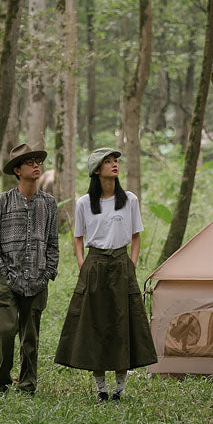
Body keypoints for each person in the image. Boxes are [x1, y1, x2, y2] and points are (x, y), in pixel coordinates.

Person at [55, 147, 157, 401]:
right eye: (108, 162)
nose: (114, 165)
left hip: (121, 263)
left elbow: (136, 236)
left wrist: (131, 263)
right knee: (94, 322)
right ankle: (101, 387)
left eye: (115, 161)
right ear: (97, 170)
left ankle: (119, 387)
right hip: (95, 263)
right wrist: (82, 264)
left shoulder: (129, 200)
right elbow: (77, 238)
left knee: (123, 320)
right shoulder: (83, 203)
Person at [0, 142, 59, 394]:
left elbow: (52, 242)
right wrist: (1, 271)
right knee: (4, 332)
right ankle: (1, 381)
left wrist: (48, 271)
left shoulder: (48, 203)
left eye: (38, 161)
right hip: (7, 278)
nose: (36, 165)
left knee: (31, 338)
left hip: (37, 279)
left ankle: (28, 384)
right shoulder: (2, 201)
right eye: (30, 162)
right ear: (17, 170)